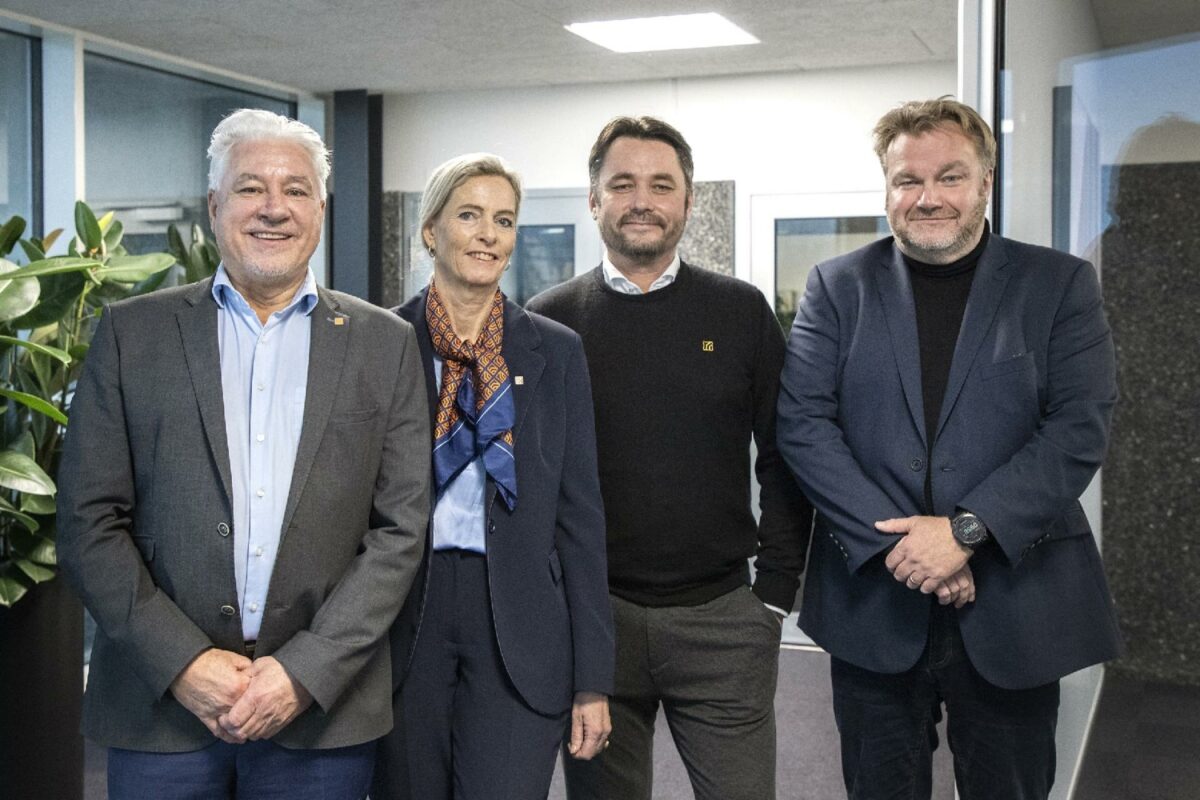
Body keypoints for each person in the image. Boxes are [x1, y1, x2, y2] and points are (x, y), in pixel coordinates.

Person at [56, 108, 431, 800]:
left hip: (321, 715)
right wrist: (184, 663)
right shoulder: (131, 335)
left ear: (319, 207)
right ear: (214, 205)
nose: (274, 208)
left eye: (295, 189)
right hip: (161, 712)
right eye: (251, 187)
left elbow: (401, 531)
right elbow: (87, 519)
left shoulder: (385, 344)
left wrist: (305, 671)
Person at [776, 98, 1123, 799]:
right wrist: (910, 552)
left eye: (950, 177)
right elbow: (804, 425)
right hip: (874, 601)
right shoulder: (837, 288)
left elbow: (1079, 427)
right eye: (907, 180)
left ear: (986, 182)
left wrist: (967, 533)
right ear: (886, 188)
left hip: (1015, 603)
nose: (928, 197)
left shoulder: (1056, 285)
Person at [527, 116, 813, 800]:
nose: (642, 200)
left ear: (688, 201)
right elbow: (531, 483)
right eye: (621, 184)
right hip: (596, 625)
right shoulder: (547, 319)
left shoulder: (740, 312)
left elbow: (785, 455)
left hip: (721, 620)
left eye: (662, 184)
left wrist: (773, 595)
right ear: (593, 201)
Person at [371, 153, 614, 800]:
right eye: (469, 215)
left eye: (504, 220)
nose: (488, 234)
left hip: (520, 617)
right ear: (430, 231)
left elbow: (580, 518)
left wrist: (592, 679)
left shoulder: (555, 351)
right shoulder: (381, 341)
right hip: (405, 615)